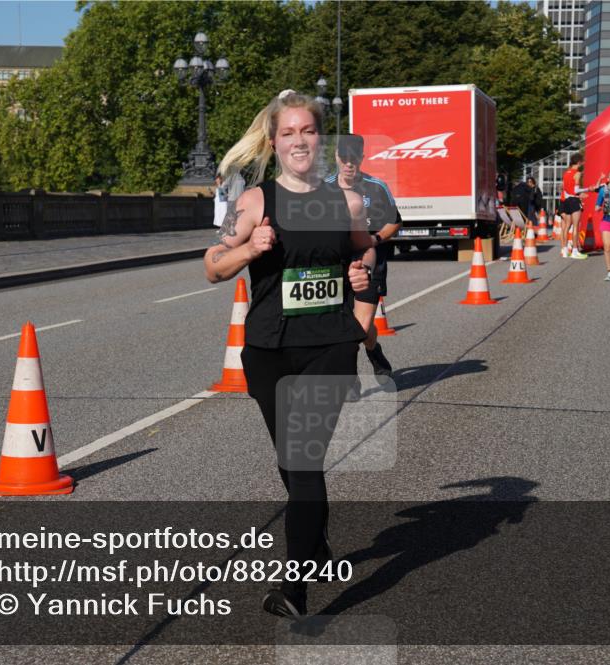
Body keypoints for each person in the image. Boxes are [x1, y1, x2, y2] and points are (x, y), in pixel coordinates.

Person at [204, 90, 375, 617]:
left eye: (307, 131)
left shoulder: (346, 202)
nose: (299, 140)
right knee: (291, 462)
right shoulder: (255, 202)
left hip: (329, 345)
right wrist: (248, 249)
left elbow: (365, 245)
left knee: (303, 462)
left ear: (320, 137)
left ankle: (295, 589)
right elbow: (212, 264)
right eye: (288, 132)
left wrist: (360, 274)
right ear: (274, 142)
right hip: (269, 350)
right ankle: (315, 543)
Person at [325, 134, 403, 379]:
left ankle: (372, 350)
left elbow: (394, 222)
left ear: (362, 158)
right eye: (345, 159)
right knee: (339, 323)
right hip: (336, 265)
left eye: (354, 160)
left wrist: (374, 239)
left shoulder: (376, 187)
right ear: (337, 157)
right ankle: (350, 374)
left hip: (370, 264)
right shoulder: (323, 188)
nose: (349, 164)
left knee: (362, 326)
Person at [559, 154, 589, 259]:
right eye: (582, 161)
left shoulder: (566, 173)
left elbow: (563, 187)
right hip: (574, 200)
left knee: (567, 226)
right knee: (576, 226)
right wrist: (587, 189)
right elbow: (576, 190)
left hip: (566, 200)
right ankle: (575, 250)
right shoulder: (577, 173)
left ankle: (565, 249)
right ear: (579, 162)